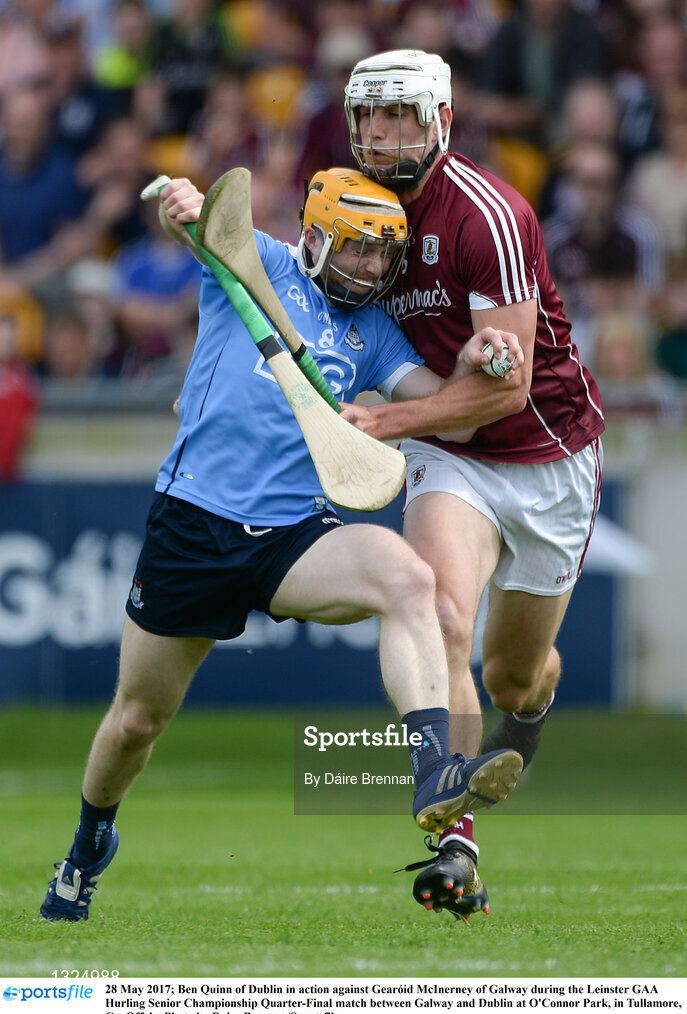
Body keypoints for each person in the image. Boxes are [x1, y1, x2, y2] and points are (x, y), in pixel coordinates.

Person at [39, 166, 525, 922]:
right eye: (358, 249)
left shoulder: (373, 333)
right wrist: (184, 210)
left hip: (291, 537)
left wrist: (469, 367)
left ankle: (434, 768)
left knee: (405, 577)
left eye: (383, 255)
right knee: (136, 721)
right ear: (316, 236)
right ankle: (87, 844)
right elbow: (203, 227)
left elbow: (448, 417)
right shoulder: (259, 263)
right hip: (192, 524)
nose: (371, 267)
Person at [342, 49, 605, 919]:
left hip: (547, 452)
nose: (384, 137)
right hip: (450, 455)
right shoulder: (346, 208)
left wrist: (381, 420)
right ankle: (455, 844)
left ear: (442, 121)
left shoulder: (487, 214)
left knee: (513, 676)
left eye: (404, 117)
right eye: (371, 117)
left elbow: (507, 385)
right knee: (440, 614)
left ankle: (532, 704)